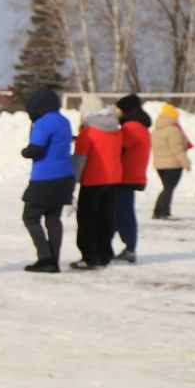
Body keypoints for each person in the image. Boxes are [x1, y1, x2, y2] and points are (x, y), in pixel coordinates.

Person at [20, 87, 76, 272]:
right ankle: (54, 259)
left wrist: (24, 152)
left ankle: (45, 258)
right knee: (53, 218)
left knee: (30, 217)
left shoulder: (43, 122)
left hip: (45, 178)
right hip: (65, 177)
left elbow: (36, 148)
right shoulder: (64, 121)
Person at [71, 104, 123, 269]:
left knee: (87, 219)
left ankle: (89, 256)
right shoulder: (116, 130)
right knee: (105, 218)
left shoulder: (89, 133)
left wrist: (73, 181)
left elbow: (80, 159)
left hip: (93, 179)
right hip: (113, 179)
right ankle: (104, 253)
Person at [113, 94, 153, 261]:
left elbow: (117, 148)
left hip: (125, 176)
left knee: (122, 212)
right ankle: (127, 247)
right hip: (133, 174)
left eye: (119, 109)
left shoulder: (131, 128)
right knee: (121, 211)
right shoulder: (141, 127)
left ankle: (130, 248)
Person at [151, 103, 193, 220]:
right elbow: (177, 149)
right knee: (169, 188)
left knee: (166, 188)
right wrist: (186, 163)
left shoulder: (156, 129)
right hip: (172, 164)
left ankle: (157, 212)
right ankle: (165, 212)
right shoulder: (173, 130)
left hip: (159, 164)